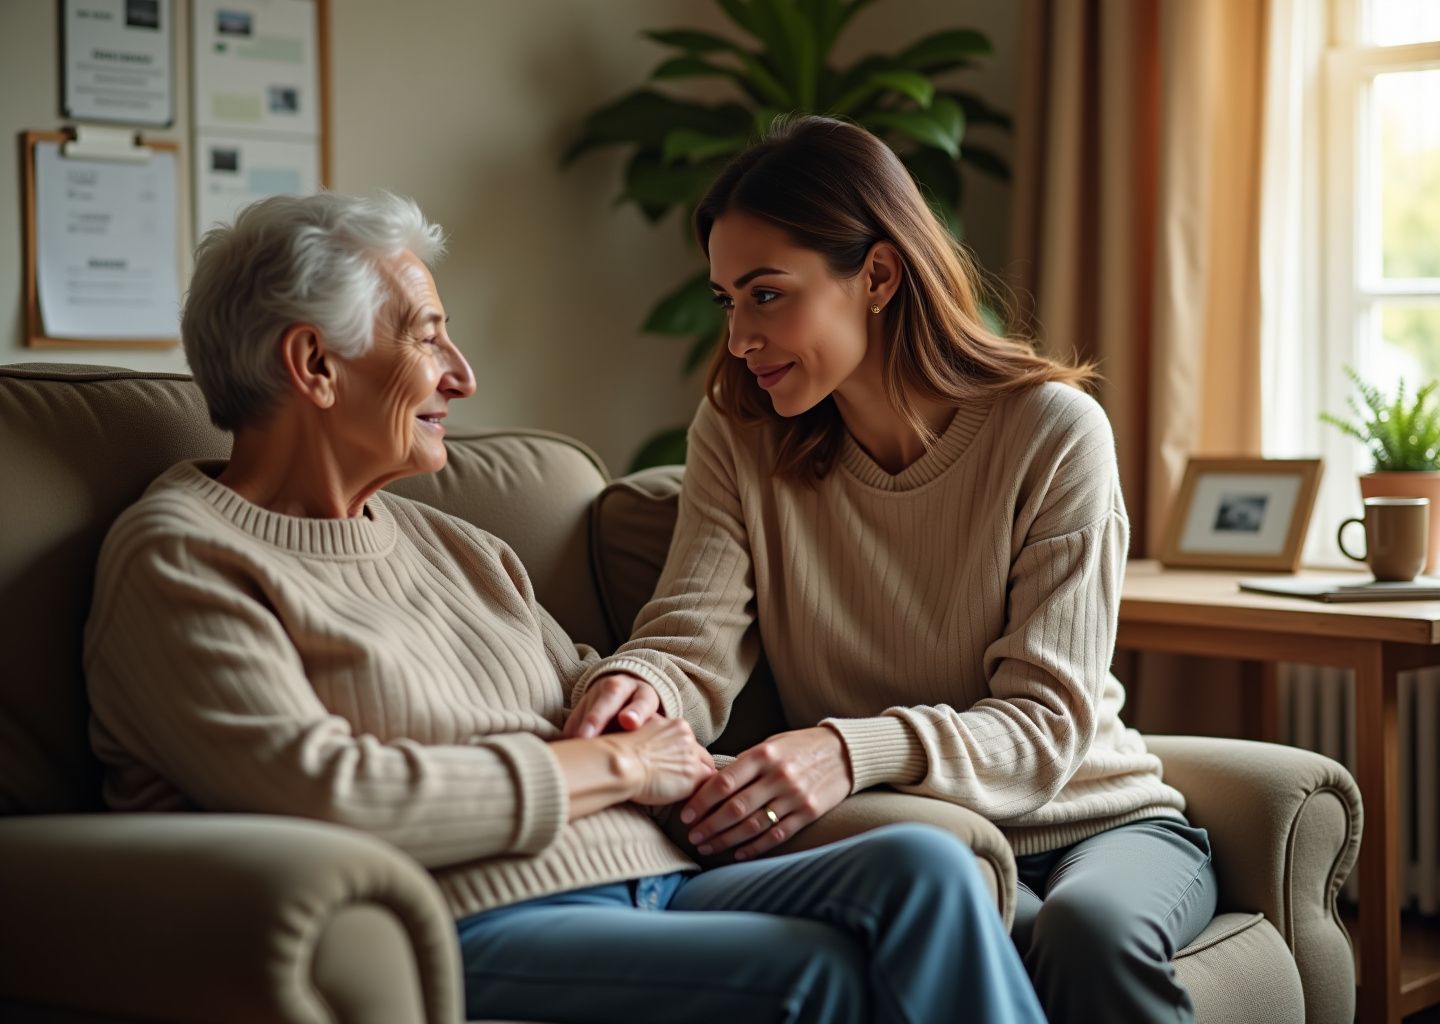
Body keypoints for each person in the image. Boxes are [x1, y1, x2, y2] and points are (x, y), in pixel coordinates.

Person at [83, 191, 1045, 1024]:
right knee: (820, 977)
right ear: (315, 365)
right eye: (427, 338)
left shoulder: (449, 543)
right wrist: (617, 759)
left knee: (929, 872)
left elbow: (582, 681)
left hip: (654, 874)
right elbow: (328, 793)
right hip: (466, 914)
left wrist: (637, 709)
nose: (462, 375)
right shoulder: (184, 560)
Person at [565, 115, 1220, 1024]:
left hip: (1096, 822)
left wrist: (849, 748)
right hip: (918, 836)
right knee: (987, 931)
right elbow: (690, 640)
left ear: (876, 275)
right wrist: (635, 686)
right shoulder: (738, 434)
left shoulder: (1052, 433)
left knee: (1084, 933)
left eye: (766, 295)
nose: (740, 339)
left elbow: (1044, 724)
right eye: (726, 301)